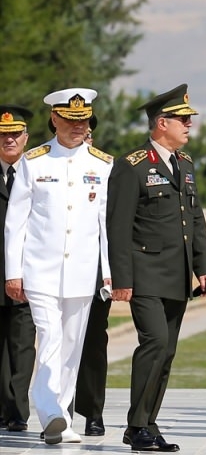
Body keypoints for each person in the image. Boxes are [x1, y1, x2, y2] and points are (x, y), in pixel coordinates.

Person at [107, 84, 206, 452]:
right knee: (154, 342)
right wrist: (121, 279)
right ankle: (136, 425)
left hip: (177, 274)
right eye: (182, 120)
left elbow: (195, 220)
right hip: (145, 273)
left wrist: (205, 267)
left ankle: (148, 422)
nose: (189, 126)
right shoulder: (132, 165)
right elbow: (117, 227)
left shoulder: (184, 165)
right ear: (161, 123)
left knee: (167, 352)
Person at [5, 89, 112, 445]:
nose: (78, 127)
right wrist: (12, 271)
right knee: (50, 336)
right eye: (70, 120)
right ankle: (49, 411)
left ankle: (62, 416)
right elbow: (15, 222)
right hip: (40, 270)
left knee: (72, 345)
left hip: (82, 271)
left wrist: (109, 273)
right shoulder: (33, 162)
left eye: (83, 121)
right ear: (55, 119)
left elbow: (104, 227)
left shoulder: (102, 164)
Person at [74, 124, 112, 437]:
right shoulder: (47, 166)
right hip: (57, 270)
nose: (85, 139)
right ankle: (59, 409)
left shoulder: (106, 167)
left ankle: (92, 412)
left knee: (94, 343)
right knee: (59, 342)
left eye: (88, 134)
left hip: (96, 271)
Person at [0, 105, 35, 433]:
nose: (8, 139)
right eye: (2, 135)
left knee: (23, 346)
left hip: (28, 274)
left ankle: (17, 411)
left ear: (25, 138)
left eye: (14, 134)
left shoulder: (36, 172)